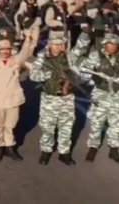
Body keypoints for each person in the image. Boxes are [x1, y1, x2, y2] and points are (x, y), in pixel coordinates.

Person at [29, 30, 90, 165]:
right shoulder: (42, 58)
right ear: (50, 45)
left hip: (67, 98)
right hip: (49, 99)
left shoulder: (68, 57)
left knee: (66, 127)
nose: (59, 47)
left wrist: (84, 34)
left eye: (61, 44)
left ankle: (64, 153)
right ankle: (46, 151)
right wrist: (49, 74)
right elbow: (33, 76)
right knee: (47, 127)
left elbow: (79, 49)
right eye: (56, 44)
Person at [79, 33, 119, 163]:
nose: (113, 46)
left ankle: (113, 150)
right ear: (104, 44)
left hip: (117, 95)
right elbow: (83, 69)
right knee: (97, 123)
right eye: (110, 44)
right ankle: (93, 147)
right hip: (101, 94)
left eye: (115, 44)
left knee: (116, 123)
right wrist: (94, 75)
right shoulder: (96, 56)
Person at [0, 33, 36, 162]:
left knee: (10, 125)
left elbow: (25, 54)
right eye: (2, 49)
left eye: (7, 49)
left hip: (12, 99)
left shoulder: (15, 60)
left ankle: (10, 148)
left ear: (10, 50)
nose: (5, 52)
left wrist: (27, 41)